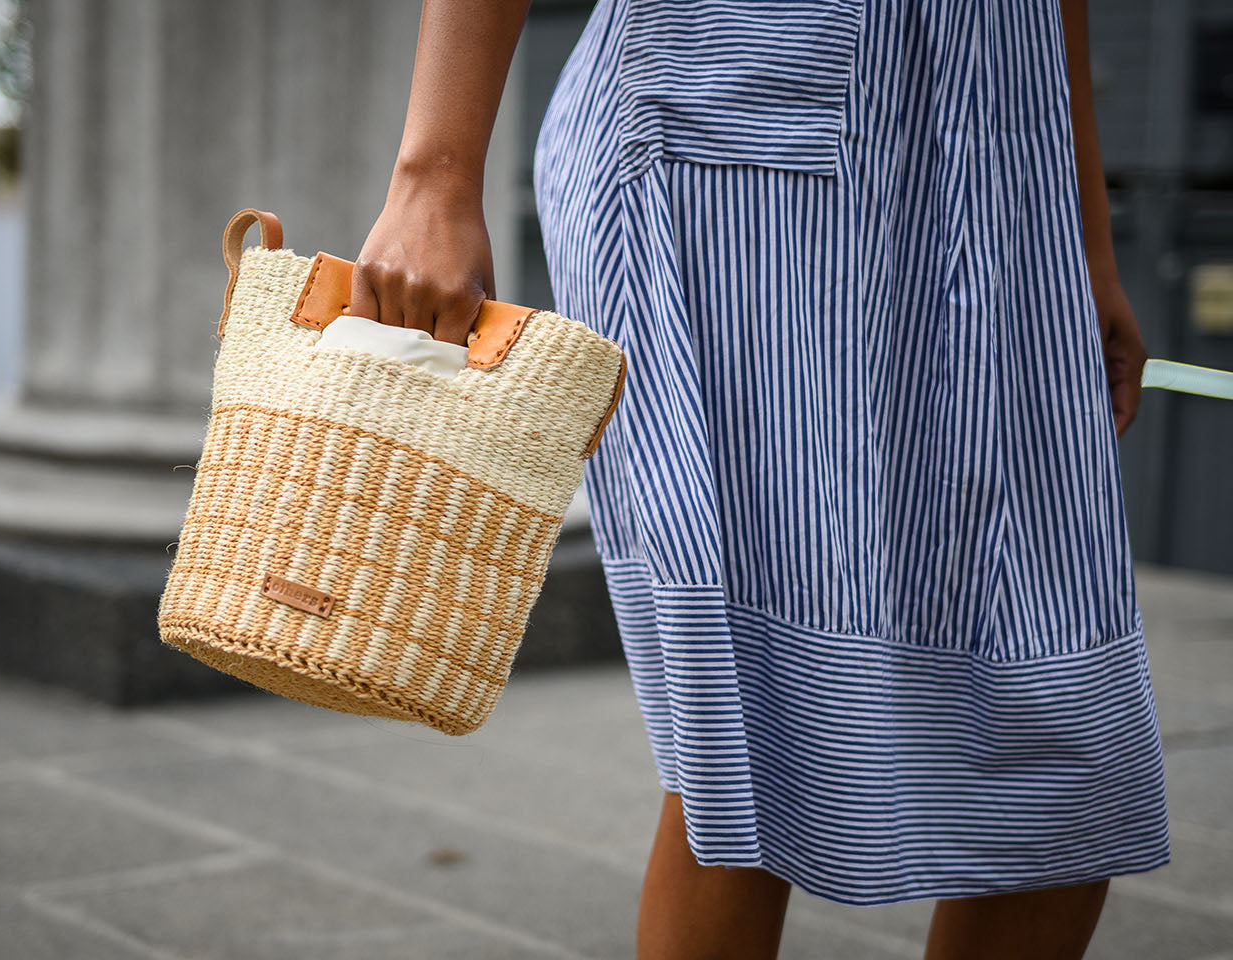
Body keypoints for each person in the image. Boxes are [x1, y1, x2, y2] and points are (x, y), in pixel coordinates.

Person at [348, 0, 1170, 957]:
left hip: (999, 165)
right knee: (748, 736)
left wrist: (1085, 234)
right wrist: (433, 174)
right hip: (731, 149)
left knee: (1070, 753)